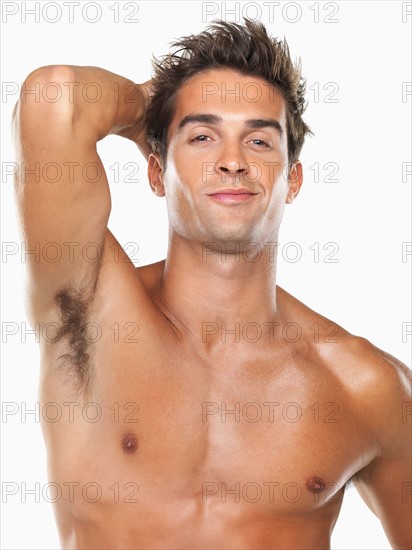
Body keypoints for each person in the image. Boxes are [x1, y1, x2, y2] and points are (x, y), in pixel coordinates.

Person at [13, 18, 411, 549]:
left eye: (260, 141)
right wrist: (145, 104)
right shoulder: (91, 312)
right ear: (157, 173)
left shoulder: (365, 389)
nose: (232, 161)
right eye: (202, 136)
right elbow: (54, 97)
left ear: (291, 179)